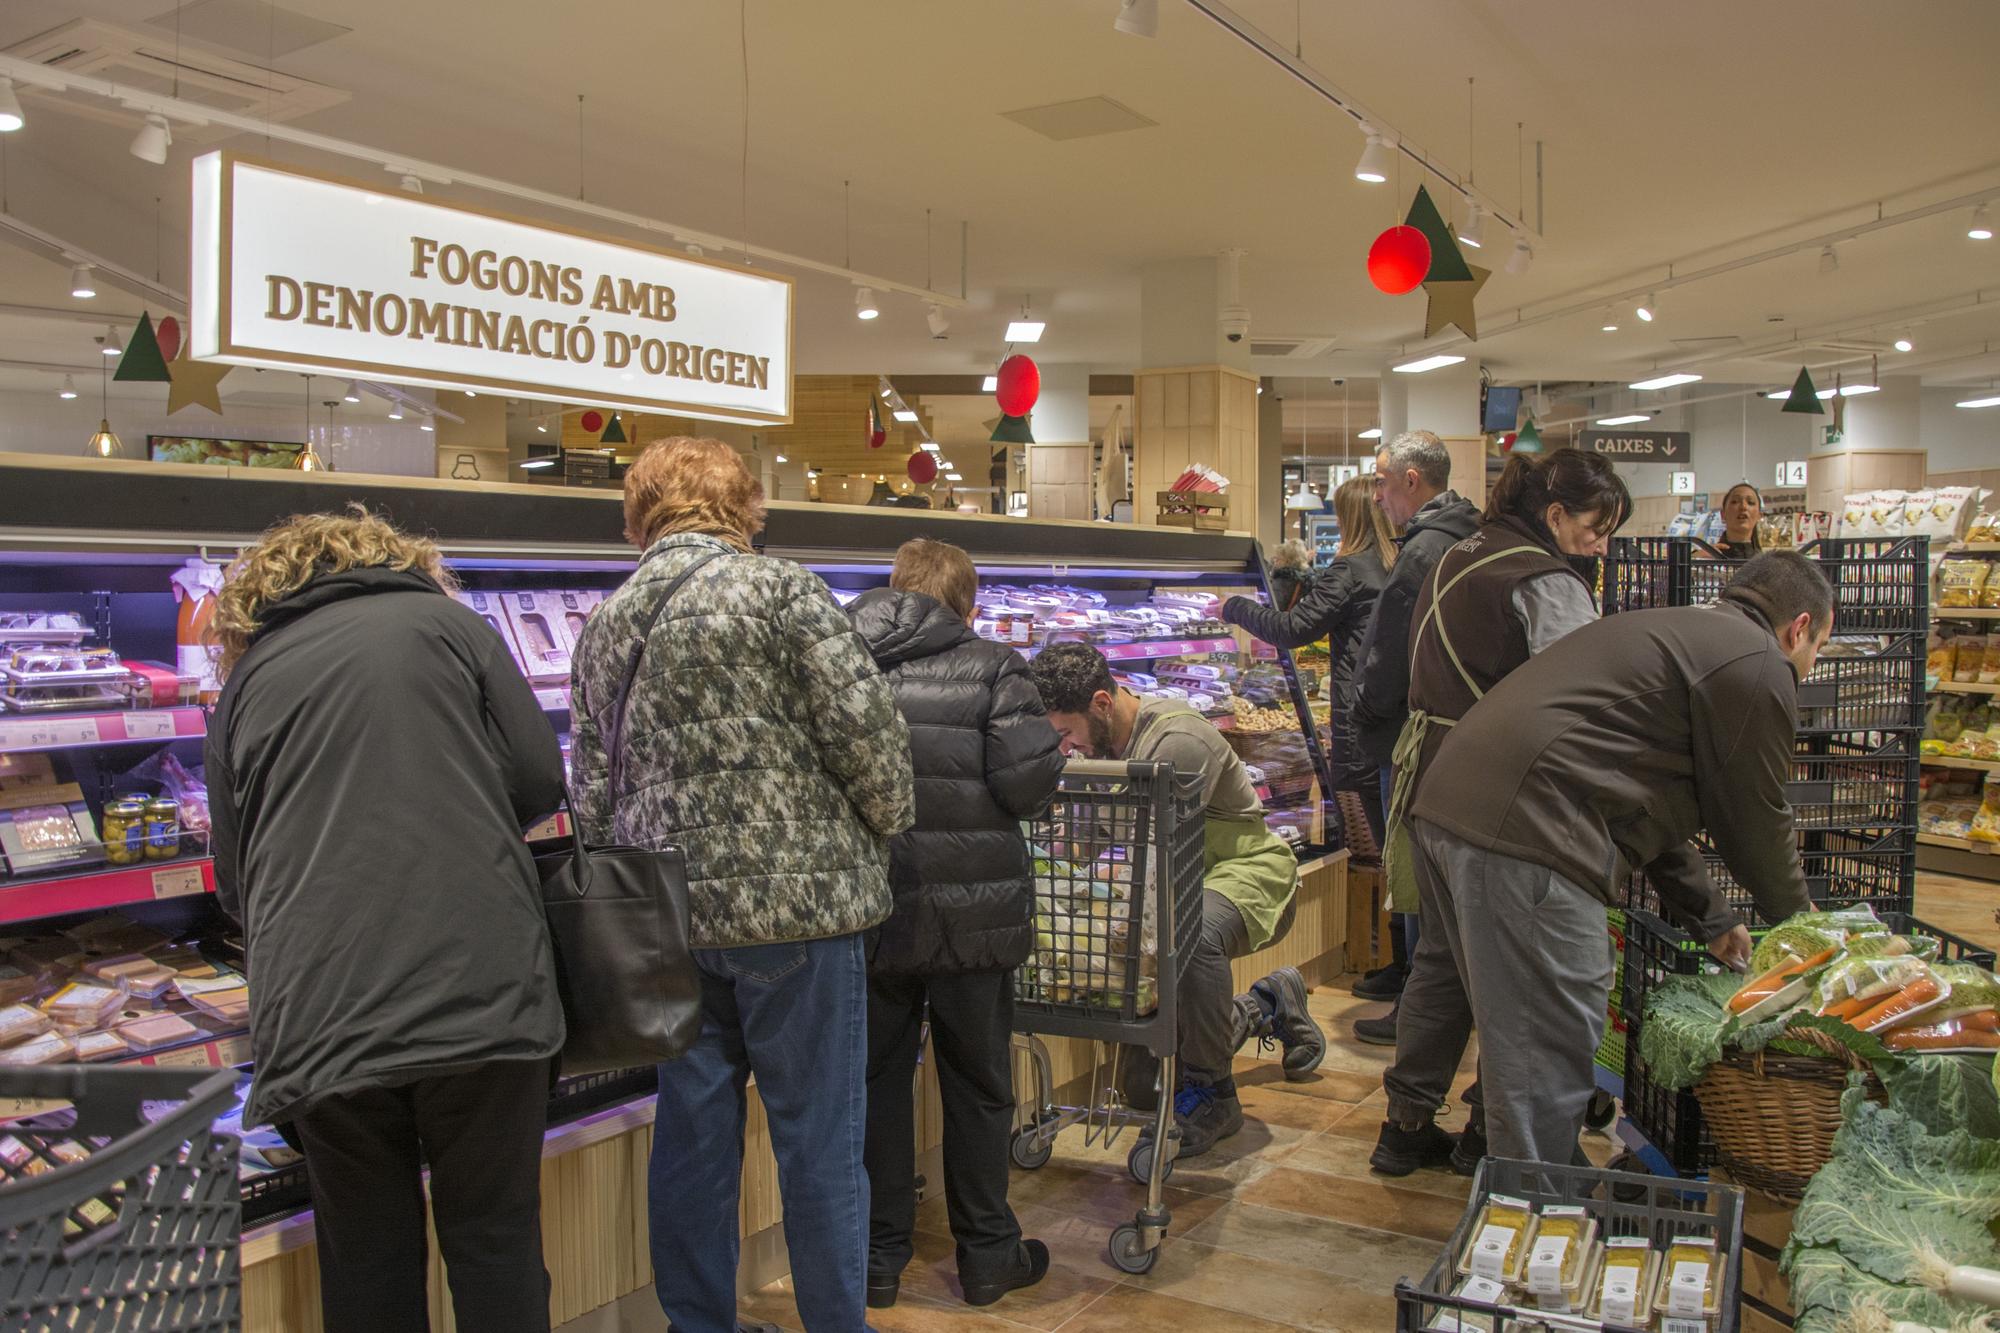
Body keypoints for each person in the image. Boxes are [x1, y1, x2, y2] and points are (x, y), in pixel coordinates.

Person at [569, 437, 916, 1333]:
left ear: (639, 514)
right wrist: (883, 827)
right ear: (744, 508)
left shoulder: (608, 621)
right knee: (819, 1142)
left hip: (669, 920)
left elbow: (590, 793)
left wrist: (630, 896)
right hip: (799, 912)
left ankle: (697, 1324)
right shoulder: (782, 590)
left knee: (691, 1140)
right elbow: (872, 742)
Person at [206, 509, 567, 1333]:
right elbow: (540, 779)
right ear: (398, 557)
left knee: (366, 1262)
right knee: (496, 1242)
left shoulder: (246, 682)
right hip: (483, 993)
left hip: (324, 1013)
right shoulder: (452, 626)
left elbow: (233, 882)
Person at [1406, 551, 1829, 1166]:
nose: (1808, 669)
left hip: (1453, 810)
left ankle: (1527, 1183)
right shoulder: (1758, 663)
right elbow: (1756, 819)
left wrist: (1710, 918)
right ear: (1801, 627)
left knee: (1520, 1041)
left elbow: (1646, 808)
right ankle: (1531, 1225)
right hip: (1529, 832)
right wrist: (1806, 933)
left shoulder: (1672, 633)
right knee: (1547, 1047)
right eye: (1817, 649)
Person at [1367, 448, 1633, 1176]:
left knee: (1444, 967)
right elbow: (1584, 709)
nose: (1602, 544)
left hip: (1429, 786)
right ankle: (1509, 1151)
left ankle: (1405, 1124)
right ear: (1555, 515)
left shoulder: (1457, 555)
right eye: (1596, 526)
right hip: (1505, 808)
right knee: (1516, 987)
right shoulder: (1547, 582)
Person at [846, 539, 1066, 1311]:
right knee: (977, 1085)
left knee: (876, 1085)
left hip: (875, 908)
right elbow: (1029, 783)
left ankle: (876, 1257)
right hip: (975, 917)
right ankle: (986, 1255)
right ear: (965, 602)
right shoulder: (995, 666)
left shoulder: (845, 657)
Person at [1027, 642, 1322, 1159]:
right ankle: (1265, 1004)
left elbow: (1146, 846)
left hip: (1242, 873)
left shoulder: (1177, 741)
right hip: (1166, 882)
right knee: (1146, 1087)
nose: (1066, 746)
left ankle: (1215, 1094)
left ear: (1101, 703)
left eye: (1066, 732)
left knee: (1190, 932)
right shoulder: (1098, 747)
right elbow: (1084, 843)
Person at [1344, 432, 1481, 1031]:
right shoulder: (1463, 537)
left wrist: (1363, 711)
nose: (1376, 496)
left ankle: (1420, 1014)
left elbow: (1392, 649)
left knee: (1415, 876)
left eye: (1380, 481)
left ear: (1410, 480)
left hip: (1408, 736)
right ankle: (1428, 1006)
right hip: (1443, 736)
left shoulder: (1424, 550)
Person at [1221, 475, 1398, 846]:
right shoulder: (1396, 565)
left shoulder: (1349, 572)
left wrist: (1233, 607)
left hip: (1364, 720)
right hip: (1393, 719)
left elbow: (1292, 628)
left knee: (1388, 850)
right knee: (1397, 850)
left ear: (1351, 519)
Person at [1713, 482, 1764, 559]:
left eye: (1750, 502)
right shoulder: (1707, 557)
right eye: (1735, 502)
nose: (1743, 507)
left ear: (1759, 516)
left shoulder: (1767, 563)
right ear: (1723, 514)